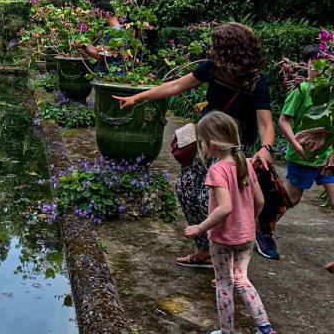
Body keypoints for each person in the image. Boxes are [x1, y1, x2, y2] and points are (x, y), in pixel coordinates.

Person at [114, 22, 275, 267]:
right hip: (206, 143)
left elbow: (265, 124)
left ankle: (227, 258)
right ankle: (205, 250)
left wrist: (266, 148)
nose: (211, 49)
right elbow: (175, 86)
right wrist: (137, 98)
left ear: (230, 49)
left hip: (233, 151)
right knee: (185, 188)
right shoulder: (212, 68)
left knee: (215, 201)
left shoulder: (255, 82)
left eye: (216, 45)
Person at [185, 112, 276, 334]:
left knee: (225, 283)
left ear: (213, 144)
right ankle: (265, 328)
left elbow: (224, 208)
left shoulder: (217, 170)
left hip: (223, 239)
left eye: (202, 142)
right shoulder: (244, 163)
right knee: (242, 279)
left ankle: (227, 332)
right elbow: (260, 201)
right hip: (246, 237)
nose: (203, 147)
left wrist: (200, 227)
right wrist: (248, 220)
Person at [276, 44, 334, 240]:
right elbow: (284, 121)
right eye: (314, 62)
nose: (319, 66)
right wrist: (297, 146)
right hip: (302, 157)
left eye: (324, 62)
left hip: (327, 158)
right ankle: (261, 229)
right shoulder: (300, 90)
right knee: (291, 199)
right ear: (306, 65)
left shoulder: (331, 93)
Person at [79, 0, 122, 73]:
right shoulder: (118, 28)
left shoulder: (114, 32)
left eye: (98, 17)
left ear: (105, 14)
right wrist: (84, 45)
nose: (97, 21)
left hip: (110, 75)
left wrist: (84, 47)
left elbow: (101, 58)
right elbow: (101, 51)